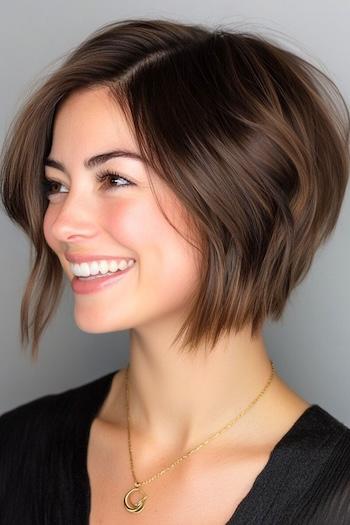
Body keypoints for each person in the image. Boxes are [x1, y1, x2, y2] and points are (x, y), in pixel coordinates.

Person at [0, 17, 349, 525]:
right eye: (56, 185)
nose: (60, 223)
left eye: (115, 178)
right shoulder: (14, 452)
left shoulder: (335, 499)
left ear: (237, 199)